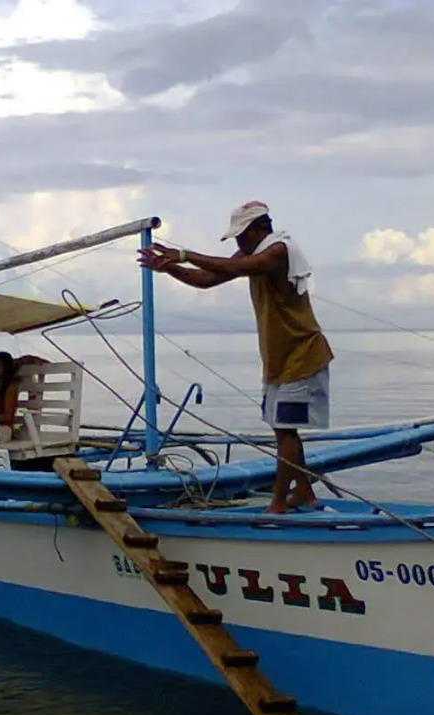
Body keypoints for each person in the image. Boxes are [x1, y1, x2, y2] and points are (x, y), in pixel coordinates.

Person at [139, 201, 334, 512]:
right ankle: (304, 492)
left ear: (260, 228)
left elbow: (235, 268)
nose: (239, 242)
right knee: (282, 428)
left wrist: (184, 255)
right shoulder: (252, 253)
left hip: (302, 355)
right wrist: (169, 267)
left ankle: (278, 504)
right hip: (278, 358)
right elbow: (208, 279)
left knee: (285, 431)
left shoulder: (278, 251)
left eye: (242, 235)